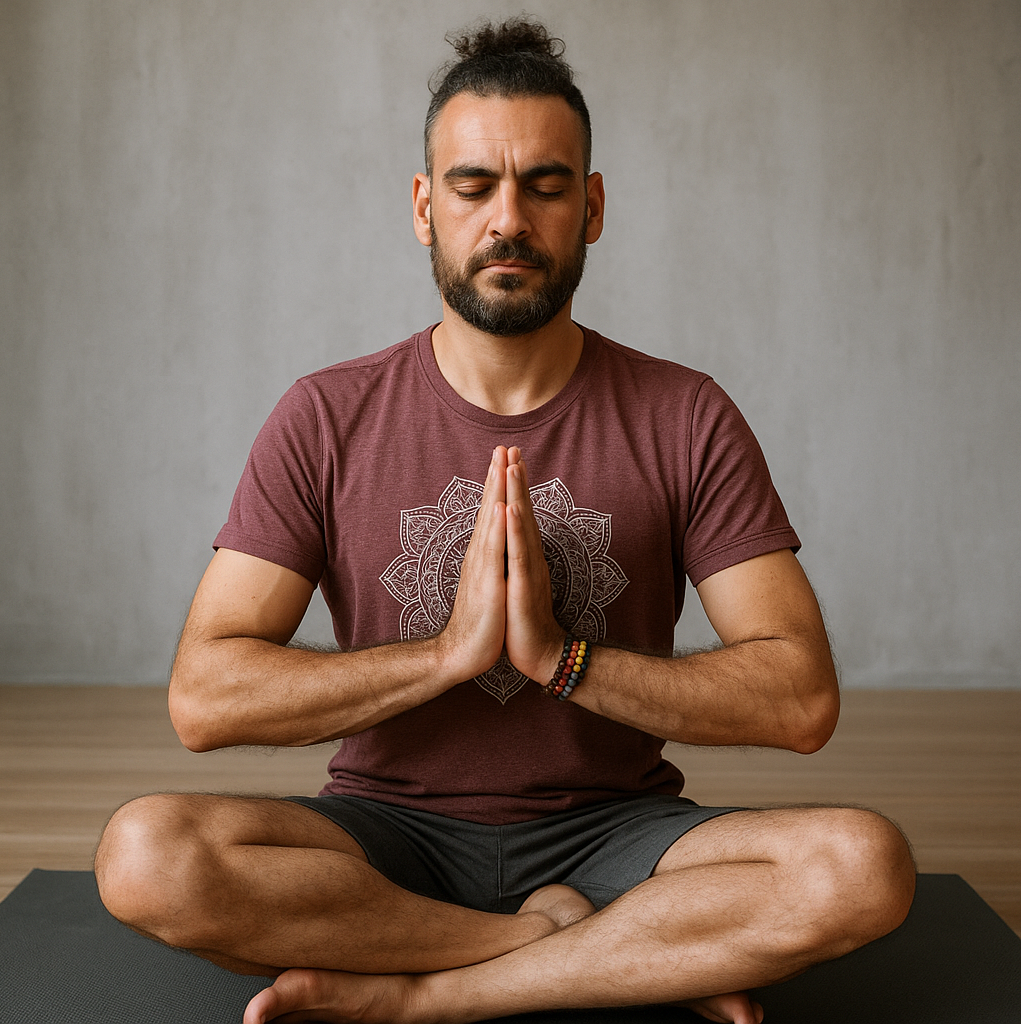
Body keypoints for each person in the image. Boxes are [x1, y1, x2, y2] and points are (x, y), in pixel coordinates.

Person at [95, 18, 915, 1024]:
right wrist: (446, 656)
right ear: (424, 207)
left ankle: (427, 997)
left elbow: (800, 698)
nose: (508, 220)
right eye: (474, 185)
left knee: (861, 866)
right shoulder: (324, 415)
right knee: (146, 855)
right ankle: (583, 951)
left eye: (545, 186)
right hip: (383, 837)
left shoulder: (685, 414)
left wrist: (563, 661)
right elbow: (203, 699)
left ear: (593, 206)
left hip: (619, 833)